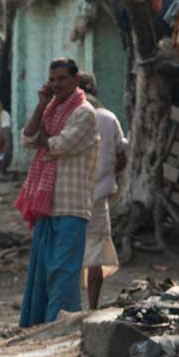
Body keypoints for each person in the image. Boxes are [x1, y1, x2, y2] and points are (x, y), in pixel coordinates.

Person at [15, 57, 99, 327]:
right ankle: (39, 325)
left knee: (63, 271)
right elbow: (28, 137)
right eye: (53, 80)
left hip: (72, 204)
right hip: (46, 204)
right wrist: (41, 105)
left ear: (75, 80)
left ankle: (60, 327)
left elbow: (58, 145)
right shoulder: (50, 110)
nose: (57, 84)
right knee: (42, 271)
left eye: (62, 79)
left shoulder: (84, 112)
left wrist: (43, 141)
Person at [78, 73, 129, 309]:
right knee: (96, 255)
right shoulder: (109, 118)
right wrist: (109, 174)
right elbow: (122, 155)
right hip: (99, 197)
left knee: (69, 254)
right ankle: (93, 307)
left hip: (69, 197)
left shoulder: (71, 117)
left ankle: (70, 306)